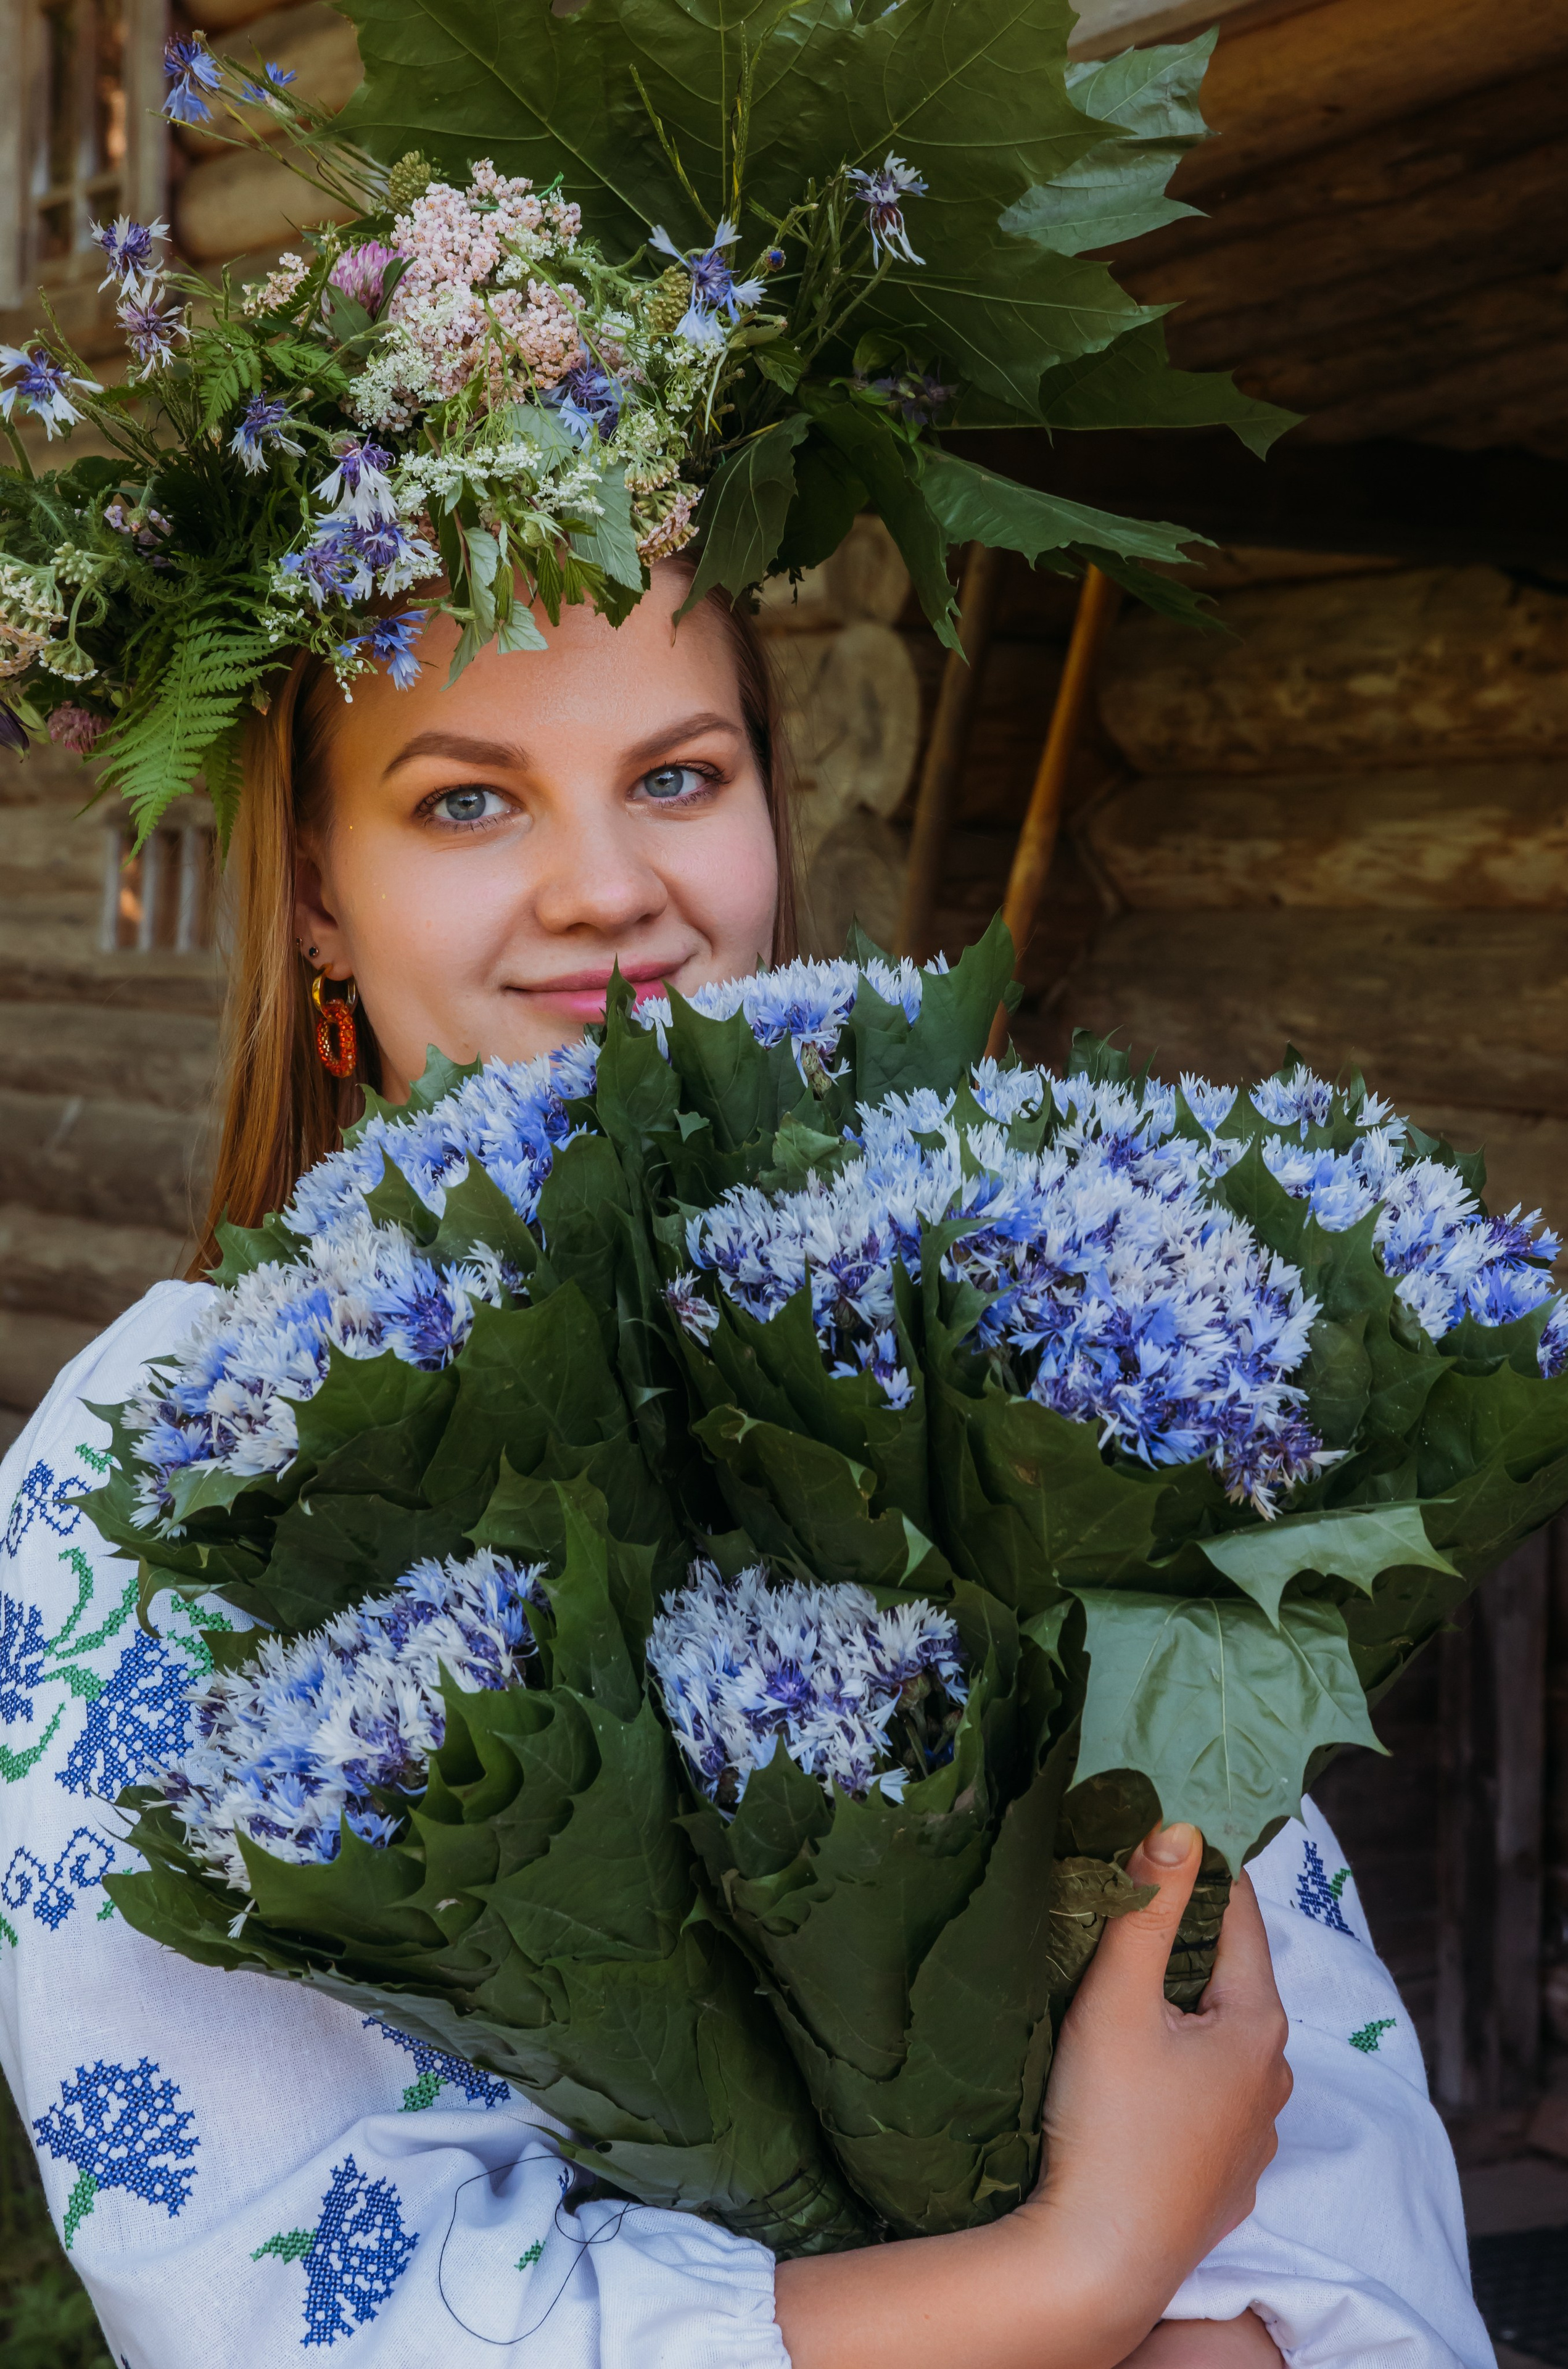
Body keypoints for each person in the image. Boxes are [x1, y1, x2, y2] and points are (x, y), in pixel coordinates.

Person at [0, 576, 1490, 2369]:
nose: (609, 888)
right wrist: (1073, 2274)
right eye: (467, 799)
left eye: (682, 777)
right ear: (316, 893)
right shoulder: (160, 1469)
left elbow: (1283, 2026)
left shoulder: (993, 1323)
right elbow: (275, 2290)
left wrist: (1205, 2332)